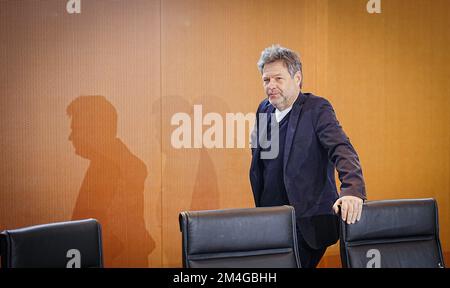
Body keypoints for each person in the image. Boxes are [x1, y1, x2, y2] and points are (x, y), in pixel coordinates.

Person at [249, 45, 367, 268]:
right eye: (266, 80)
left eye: (278, 79)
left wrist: (352, 190)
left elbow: (342, 149)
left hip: (307, 222)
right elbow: (264, 159)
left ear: (297, 78)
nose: (271, 86)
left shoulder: (316, 108)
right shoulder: (263, 109)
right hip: (271, 219)